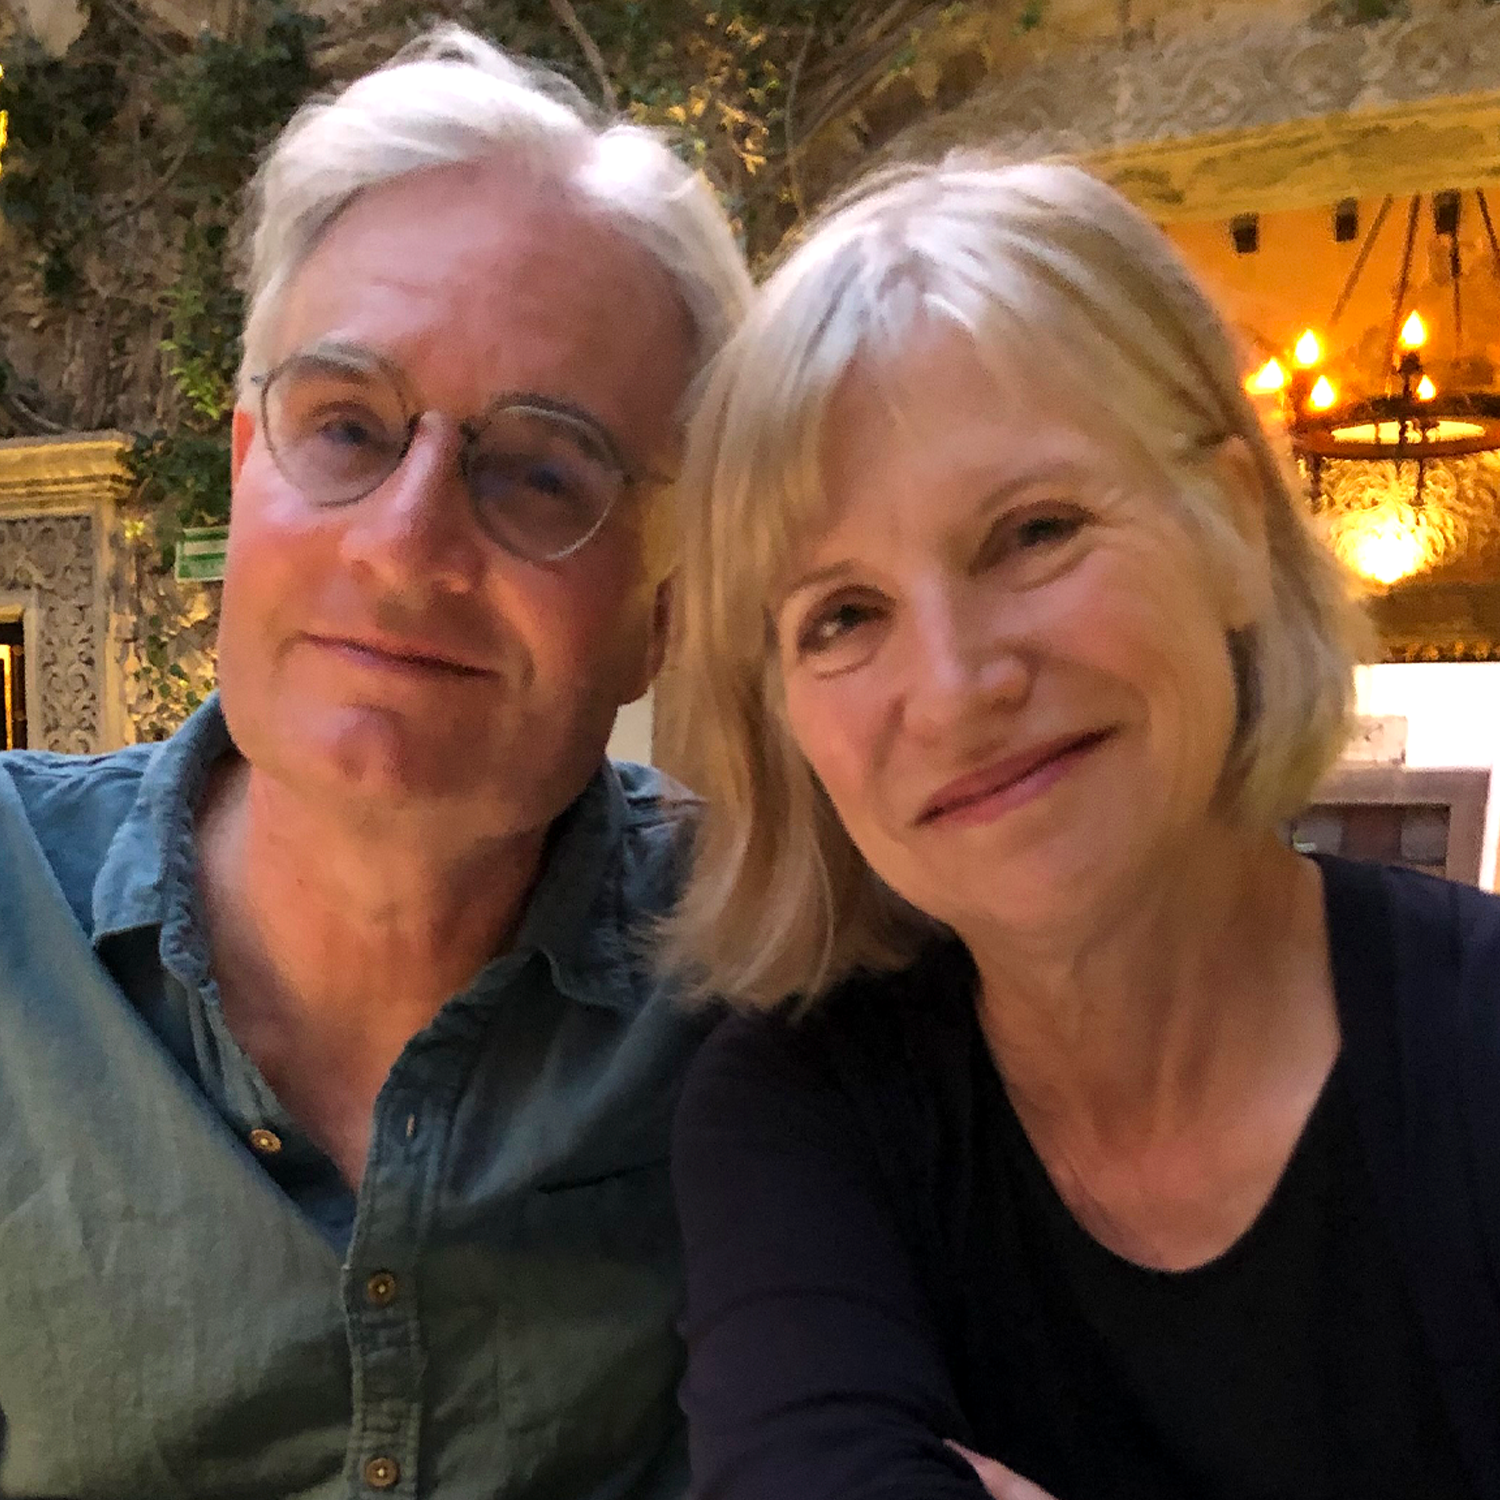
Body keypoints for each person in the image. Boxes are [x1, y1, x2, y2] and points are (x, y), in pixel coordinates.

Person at [664, 157, 1500, 1500]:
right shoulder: (806, 1116)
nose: (952, 688)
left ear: (1230, 525)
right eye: (843, 616)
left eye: (1033, 531)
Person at [0, 26, 749, 1499]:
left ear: (665, 610)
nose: (405, 548)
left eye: (542, 471)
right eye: (344, 427)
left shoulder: (768, 976)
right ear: (243, 470)